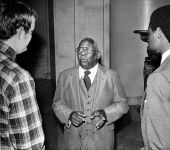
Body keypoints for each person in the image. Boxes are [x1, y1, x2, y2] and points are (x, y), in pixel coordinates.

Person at [52, 37, 129, 150]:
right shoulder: (65, 76)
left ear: (97, 55)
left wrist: (105, 113)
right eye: (79, 50)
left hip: (102, 139)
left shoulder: (111, 76)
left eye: (86, 50)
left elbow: (123, 104)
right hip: (74, 139)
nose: (82, 53)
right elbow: (57, 104)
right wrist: (69, 115)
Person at [0, 0, 45, 149]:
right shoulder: (18, 78)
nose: (31, 37)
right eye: (31, 32)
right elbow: (30, 144)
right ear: (20, 32)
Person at [141, 5, 170, 150]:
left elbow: (159, 143)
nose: (148, 39)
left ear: (158, 32)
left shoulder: (159, 77)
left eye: (149, 32)